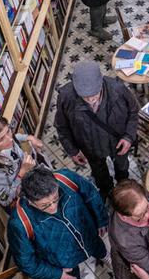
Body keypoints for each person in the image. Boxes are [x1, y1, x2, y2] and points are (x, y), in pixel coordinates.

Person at [8, 167, 109, 279]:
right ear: (29, 200)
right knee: (71, 271)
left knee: (97, 246)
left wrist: (101, 220)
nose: (53, 207)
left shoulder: (66, 179)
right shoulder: (19, 223)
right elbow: (26, 262)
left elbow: (91, 195)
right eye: (44, 205)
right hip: (62, 256)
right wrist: (56, 274)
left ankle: (105, 256)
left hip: (87, 232)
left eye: (56, 198)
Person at [54, 60, 139, 199]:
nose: (91, 100)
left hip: (118, 142)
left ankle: (124, 187)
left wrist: (129, 136)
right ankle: (107, 190)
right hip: (90, 147)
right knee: (99, 173)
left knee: (122, 167)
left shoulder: (118, 89)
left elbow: (133, 112)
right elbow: (62, 127)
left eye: (95, 94)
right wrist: (73, 150)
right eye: (85, 97)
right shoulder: (65, 97)